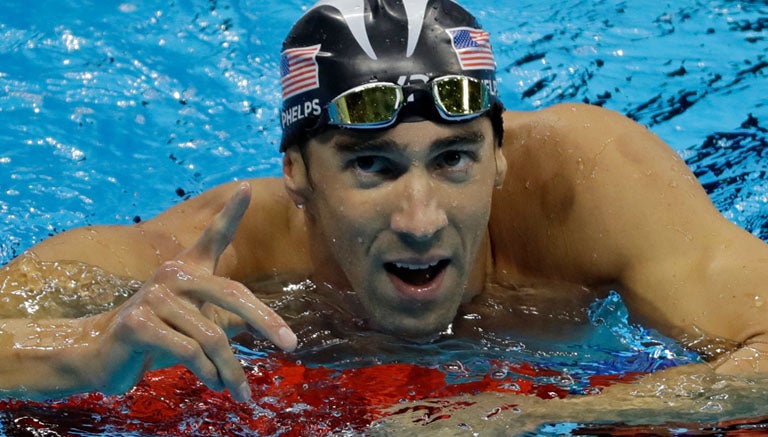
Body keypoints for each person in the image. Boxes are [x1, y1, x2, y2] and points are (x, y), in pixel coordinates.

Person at [1, 0, 767, 403]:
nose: (421, 219)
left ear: (499, 154)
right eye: (373, 166)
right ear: (296, 172)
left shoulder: (588, 189)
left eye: (454, 158)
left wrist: (529, 417)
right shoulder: (217, 258)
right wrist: (89, 350)